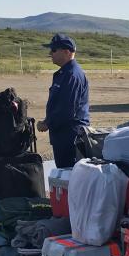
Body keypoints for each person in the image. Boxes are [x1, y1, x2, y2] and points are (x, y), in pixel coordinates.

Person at [37, 33, 90, 168]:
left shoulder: (72, 75)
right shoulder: (64, 73)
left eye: (54, 50)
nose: (50, 53)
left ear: (66, 52)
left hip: (71, 137)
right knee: (64, 176)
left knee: (69, 177)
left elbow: (67, 109)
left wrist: (47, 123)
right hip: (62, 135)